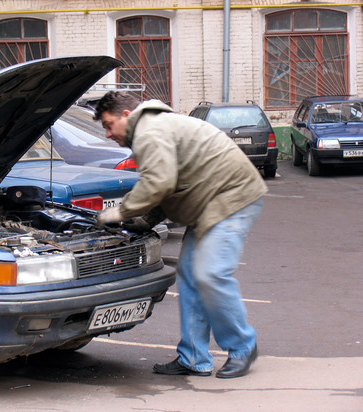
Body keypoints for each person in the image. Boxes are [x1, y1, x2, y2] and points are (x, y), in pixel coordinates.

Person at [94, 92, 267, 378]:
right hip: (209, 206)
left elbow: (159, 183)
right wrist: (146, 220)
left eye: (109, 125)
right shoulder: (156, 127)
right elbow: (174, 184)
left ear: (126, 115)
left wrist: (119, 213)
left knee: (210, 274)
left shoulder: (150, 129)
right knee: (190, 274)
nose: (109, 133)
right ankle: (194, 358)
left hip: (232, 200)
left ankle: (242, 346)